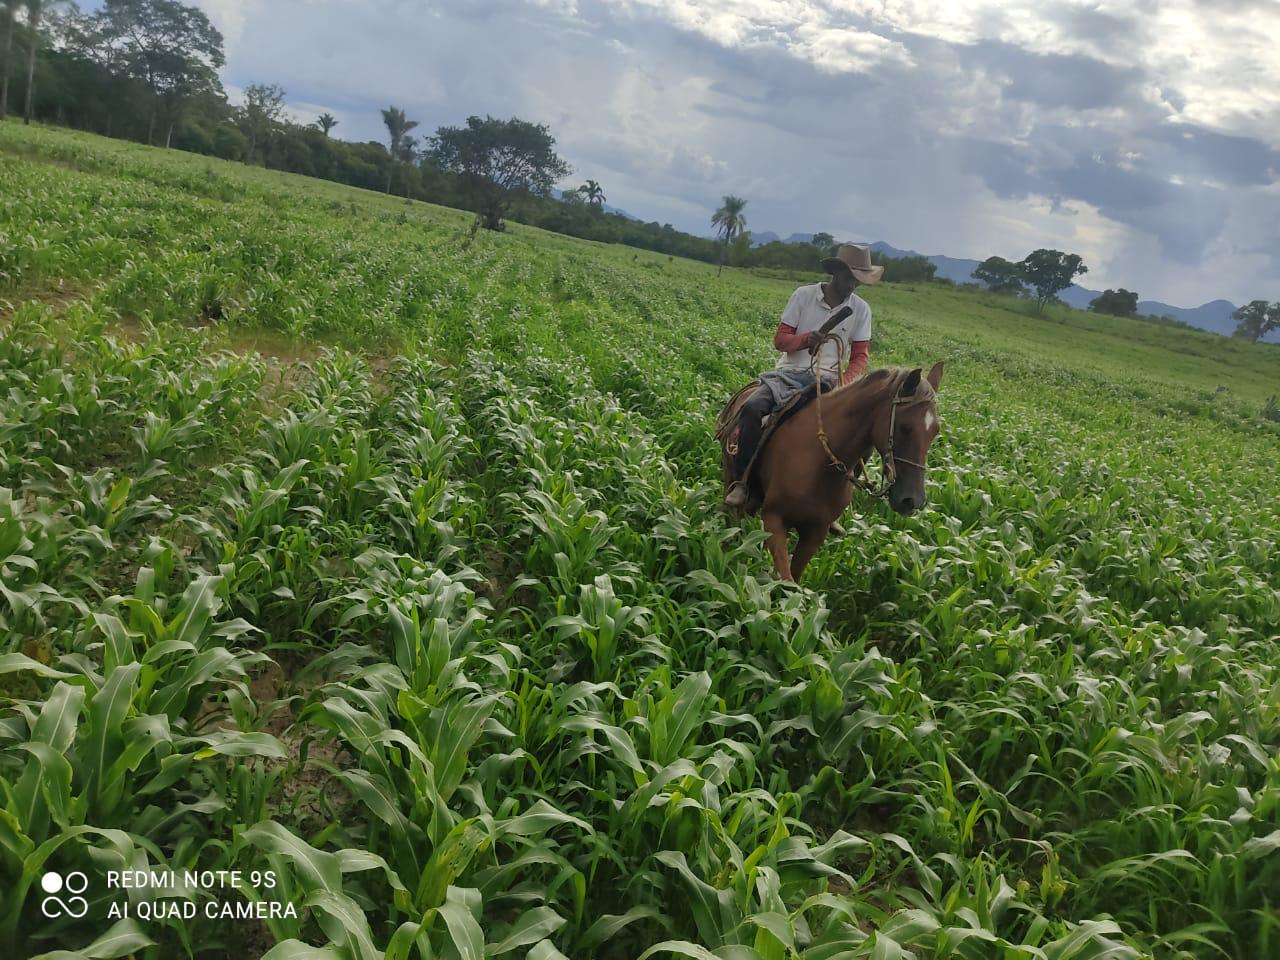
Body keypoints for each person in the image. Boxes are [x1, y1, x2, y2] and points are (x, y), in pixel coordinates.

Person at [724, 243, 882, 508]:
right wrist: (808, 339)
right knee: (752, 409)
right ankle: (742, 482)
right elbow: (780, 339)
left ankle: (836, 501)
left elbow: (860, 356)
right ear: (836, 272)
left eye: (857, 281)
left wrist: (844, 384)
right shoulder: (804, 295)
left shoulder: (861, 310)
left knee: (862, 432)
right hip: (788, 375)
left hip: (830, 382)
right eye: (848, 278)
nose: (852, 285)